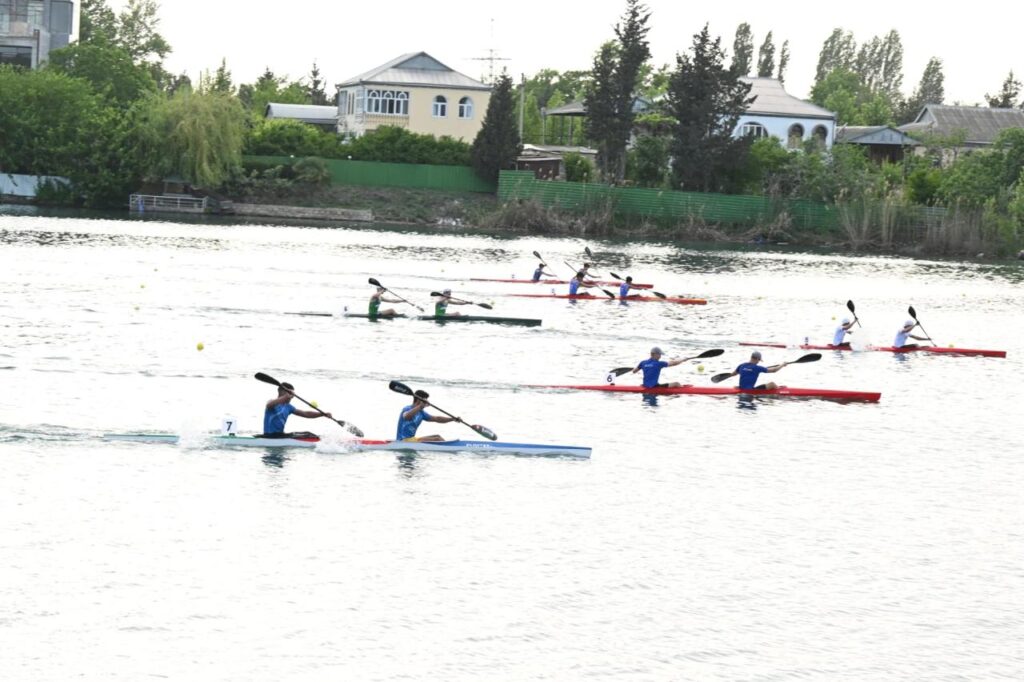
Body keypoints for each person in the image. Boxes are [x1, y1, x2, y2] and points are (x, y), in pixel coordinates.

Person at [262, 382, 332, 437]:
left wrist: (322, 414)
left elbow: (306, 414)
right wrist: (285, 397)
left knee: (307, 434)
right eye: (289, 393)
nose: (291, 397)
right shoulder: (272, 403)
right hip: (269, 435)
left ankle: (324, 440)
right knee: (306, 435)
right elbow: (269, 405)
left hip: (280, 435)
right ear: (281, 392)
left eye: (292, 394)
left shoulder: (289, 407)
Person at [722, 350, 789, 391]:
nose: (759, 362)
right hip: (750, 391)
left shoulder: (741, 365)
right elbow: (774, 370)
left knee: (735, 386)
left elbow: (733, 374)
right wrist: (782, 364)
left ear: (751, 357)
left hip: (741, 388)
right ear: (757, 359)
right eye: (759, 360)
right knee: (772, 384)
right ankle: (780, 391)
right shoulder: (757, 368)